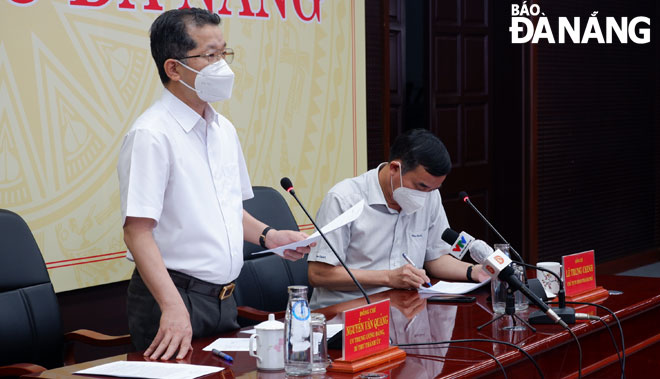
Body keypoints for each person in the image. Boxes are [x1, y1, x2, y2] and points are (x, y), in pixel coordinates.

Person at [117, 8, 310, 361]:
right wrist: (172, 307)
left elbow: (228, 210)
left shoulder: (223, 129)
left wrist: (271, 237)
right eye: (210, 55)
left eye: (224, 53)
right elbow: (137, 231)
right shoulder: (151, 135)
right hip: (173, 299)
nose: (222, 65)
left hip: (223, 299)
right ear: (173, 68)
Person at [307, 129, 489, 309]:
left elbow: (435, 258)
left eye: (433, 189)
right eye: (421, 186)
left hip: (404, 309)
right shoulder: (344, 199)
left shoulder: (430, 197)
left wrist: (474, 271)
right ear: (394, 168)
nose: (425, 196)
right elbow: (319, 274)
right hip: (346, 315)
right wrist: (389, 277)